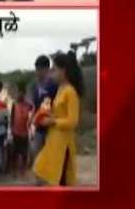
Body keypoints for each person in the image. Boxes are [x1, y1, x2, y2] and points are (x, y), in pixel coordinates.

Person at [33, 51, 84, 186]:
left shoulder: (70, 92)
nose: (51, 73)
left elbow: (73, 121)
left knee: (61, 180)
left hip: (63, 146)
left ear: (64, 71)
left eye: (54, 70)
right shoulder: (60, 89)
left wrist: (52, 121)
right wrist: (47, 116)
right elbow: (59, 114)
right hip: (53, 142)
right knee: (43, 172)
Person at [30, 55, 58, 160]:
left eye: (39, 69)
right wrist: (32, 118)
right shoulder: (34, 86)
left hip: (51, 128)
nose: (37, 72)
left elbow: (58, 106)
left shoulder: (54, 85)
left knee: (50, 157)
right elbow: (35, 106)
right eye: (36, 69)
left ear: (46, 69)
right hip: (38, 127)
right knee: (36, 154)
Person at [10, 84, 33, 176]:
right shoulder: (14, 104)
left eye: (22, 93)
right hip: (15, 132)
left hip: (25, 133)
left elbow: (33, 113)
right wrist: (11, 128)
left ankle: (23, 170)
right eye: (19, 93)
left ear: (25, 94)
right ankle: (14, 170)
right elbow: (12, 117)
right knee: (14, 153)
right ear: (17, 93)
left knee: (24, 153)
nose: (20, 95)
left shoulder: (29, 105)